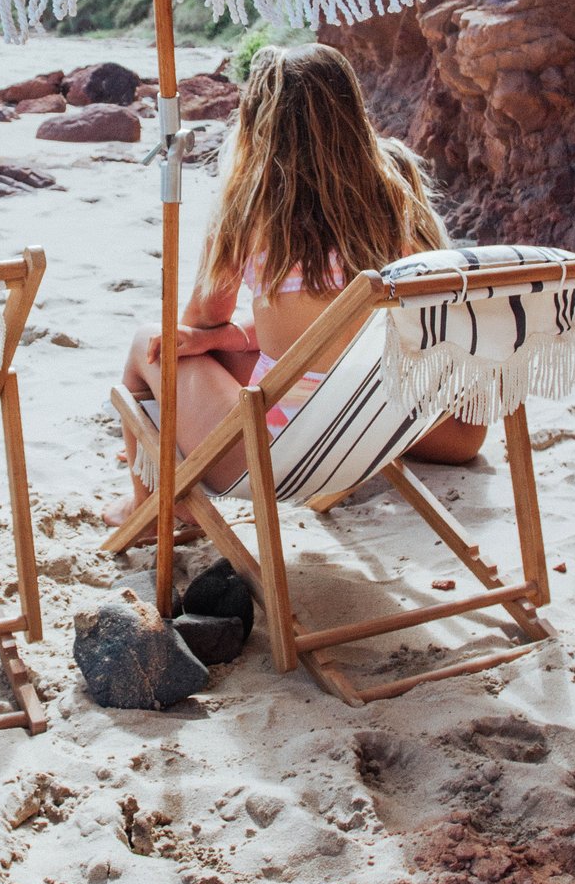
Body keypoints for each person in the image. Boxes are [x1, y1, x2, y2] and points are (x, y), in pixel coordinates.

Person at [108, 42, 486, 527]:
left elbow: (196, 324)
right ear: (352, 112)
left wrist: (208, 341)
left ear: (257, 124)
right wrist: (224, 338)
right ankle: (165, 456)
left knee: (150, 342)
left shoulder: (249, 208)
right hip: (387, 427)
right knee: (233, 348)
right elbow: (331, 321)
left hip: (280, 460)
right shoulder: (396, 191)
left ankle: (150, 508)